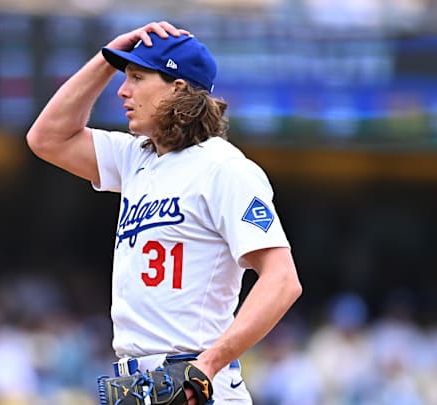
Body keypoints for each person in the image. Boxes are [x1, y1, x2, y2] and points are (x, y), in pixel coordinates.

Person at [26, 21, 302, 405]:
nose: (122, 90)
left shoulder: (224, 168)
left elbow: (283, 280)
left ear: (178, 88)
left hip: (195, 382)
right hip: (136, 382)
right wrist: (107, 57)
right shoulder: (135, 157)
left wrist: (208, 365)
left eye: (137, 77)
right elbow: (47, 137)